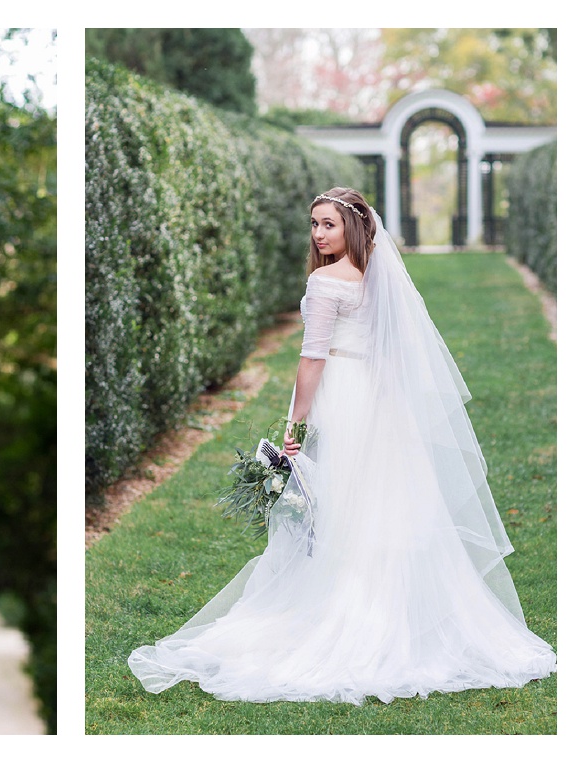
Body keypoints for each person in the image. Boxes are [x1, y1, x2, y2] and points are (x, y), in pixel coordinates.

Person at [128, 187, 556, 705]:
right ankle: (394, 610)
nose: (318, 234)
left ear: (352, 226)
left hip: (343, 397)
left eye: (328, 224)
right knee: (383, 501)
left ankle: (345, 611)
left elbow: (313, 359)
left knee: (342, 502)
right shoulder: (378, 278)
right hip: (378, 398)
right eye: (314, 224)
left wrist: (295, 422)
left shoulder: (325, 281)